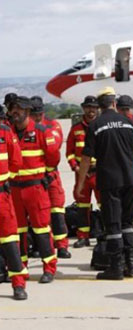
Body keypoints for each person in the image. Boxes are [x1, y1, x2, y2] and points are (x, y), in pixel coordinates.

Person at [76, 87, 133, 280]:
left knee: (112, 225)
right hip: (131, 179)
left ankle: (115, 267)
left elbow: (86, 158)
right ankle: (130, 264)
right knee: (128, 223)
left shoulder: (95, 126)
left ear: (100, 105)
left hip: (110, 181)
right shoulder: (128, 123)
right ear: (114, 103)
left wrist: (80, 184)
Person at [10, 96, 60, 283]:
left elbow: (53, 157)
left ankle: (49, 267)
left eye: (19, 109)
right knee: (18, 231)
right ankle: (21, 268)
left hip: (35, 188)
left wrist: (45, 175)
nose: (15, 112)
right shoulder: (9, 132)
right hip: (14, 189)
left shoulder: (41, 132)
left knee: (41, 229)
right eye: (12, 109)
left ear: (28, 112)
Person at [30, 96, 71, 259]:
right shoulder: (26, 129)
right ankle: (42, 246)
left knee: (57, 211)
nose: (37, 117)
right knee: (39, 215)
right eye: (34, 114)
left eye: (39, 113)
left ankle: (62, 246)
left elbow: (53, 147)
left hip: (51, 174)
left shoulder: (53, 125)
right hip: (36, 176)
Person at [0, 118, 29, 299]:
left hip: (2, 194)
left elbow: (16, 161)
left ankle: (18, 284)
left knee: (10, 239)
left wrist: (5, 178)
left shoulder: (5, 132)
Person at [66, 96, 100, 248]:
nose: (90, 110)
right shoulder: (76, 129)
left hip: (99, 173)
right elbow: (69, 153)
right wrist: (76, 167)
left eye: (93, 107)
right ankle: (83, 236)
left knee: (104, 205)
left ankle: (104, 235)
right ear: (83, 108)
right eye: (88, 107)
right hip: (81, 174)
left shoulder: (101, 127)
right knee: (82, 206)